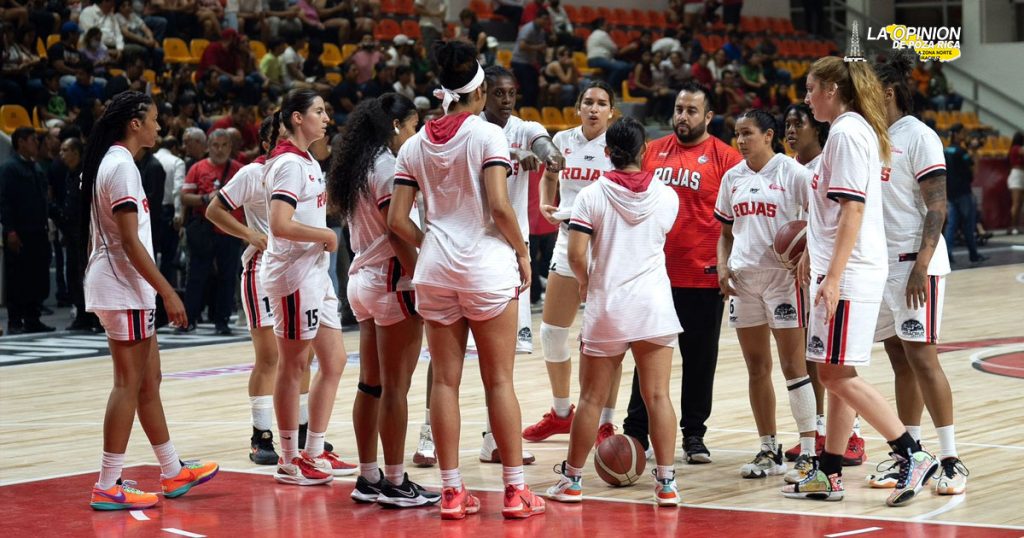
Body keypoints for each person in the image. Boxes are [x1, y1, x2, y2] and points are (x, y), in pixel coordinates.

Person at [387, 40, 544, 520]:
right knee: (499, 381)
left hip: (435, 271)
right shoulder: (486, 135)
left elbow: (396, 220)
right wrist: (523, 252)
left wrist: (433, 242)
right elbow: (499, 205)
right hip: (485, 268)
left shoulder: (414, 144)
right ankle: (515, 491)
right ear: (478, 93)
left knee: (444, 382)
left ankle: (452, 493)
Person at [782, 56, 938, 507]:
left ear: (832, 89)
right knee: (838, 372)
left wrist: (832, 277)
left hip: (848, 274)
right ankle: (830, 472)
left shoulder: (848, 133)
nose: (806, 98)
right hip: (848, 270)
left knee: (832, 374)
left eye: (811, 88)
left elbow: (852, 208)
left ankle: (912, 454)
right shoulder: (851, 131)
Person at [79, 91, 218, 511]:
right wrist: (168, 290)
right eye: (155, 119)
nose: (161, 126)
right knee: (127, 384)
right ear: (135, 123)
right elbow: (128, 241)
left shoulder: (114, 162)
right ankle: (108, 483)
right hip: (124, 286)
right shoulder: (121, 166)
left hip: (122, 284)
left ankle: (173, 470)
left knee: (148, 381)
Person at [545, 116, 682, 507]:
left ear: (607, 152)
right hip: (653, 304)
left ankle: (572, 481)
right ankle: (667, 484)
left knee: (590, 399)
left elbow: (575, 253)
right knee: (658, 396)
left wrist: (585, 283)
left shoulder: (590, 195)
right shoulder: (667, 195)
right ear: (644, 151)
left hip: (609, 305)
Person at [325, 93, 440, 508]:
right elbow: (396, 228)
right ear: (395, 126)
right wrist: (424, 270)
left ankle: (369, 476)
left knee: (370, 385)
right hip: (393, 280)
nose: (416, 133)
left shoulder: (359, 164)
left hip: (362, 280)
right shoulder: (389, 167)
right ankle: (395, 482)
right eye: (413, 126)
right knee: (395, 388)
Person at [863, 52, 968, 495]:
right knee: (899, 361)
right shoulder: (871, 137)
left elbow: (937, 207)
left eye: (867, 89)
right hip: (881, 264)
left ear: (887, 92)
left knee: (923, 359)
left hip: (914, 264)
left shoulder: (919, 136)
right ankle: (911, 454)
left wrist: (921, 267)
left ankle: (952, 459)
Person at [622, 82, 742, 462]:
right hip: (653, 275)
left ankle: (694, 435)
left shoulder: (726, 158)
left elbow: (734, 221)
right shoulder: (651, 152)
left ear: (708, 116)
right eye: (678, 109)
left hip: (702, 275)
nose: (682, 117)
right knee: (647, 358)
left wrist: (728, 264)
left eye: (691, 111)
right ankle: (635, 432)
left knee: (699, 361)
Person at [714, 109, 817, 482]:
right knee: (756, 368)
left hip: (782, 280)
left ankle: (809, 453)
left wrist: (808, 254)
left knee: (793, 367)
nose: (741, 140)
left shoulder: (794, 173)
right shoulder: (732, 178)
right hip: (744, 280)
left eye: (748, 133)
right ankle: (769, 449)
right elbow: (725, 233)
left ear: (769, 135)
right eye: (737, 134)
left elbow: (822, 220)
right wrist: (722, 266)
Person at [259, 89, 354, 485]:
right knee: (294, 365)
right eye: (318, 111)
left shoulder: (308, 159)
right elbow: (280, 224)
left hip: (315, 272)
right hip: (293, 275)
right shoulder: (287, 163)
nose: (326, 117)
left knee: (335, 361)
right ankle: (288, 458)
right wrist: (326, 234)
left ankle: (314, 451)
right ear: (297, 118)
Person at [479, 65, 564, 463]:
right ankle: (428, 434)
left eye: (511, 93)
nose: (507, 100)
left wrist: (551, 157)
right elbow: (484, 156)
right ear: (482, 94)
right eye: (499, 93)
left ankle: (493, 439)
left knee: (503, 357)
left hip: (511, 251)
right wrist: (514, 155)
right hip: (476, 246)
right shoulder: (470, 129)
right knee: (448, 359)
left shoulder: (523, 126)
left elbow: (542, 143)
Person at [527, 81, 619, 446]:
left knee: (607, 340)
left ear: (611, 111)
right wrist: (545, 202)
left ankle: (605, 422)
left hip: (605, 244)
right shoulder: (561, 140)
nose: (594, 108)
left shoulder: (619, 145)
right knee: (551, 333)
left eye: (601, 103)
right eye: (588, 102)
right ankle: (562, 412)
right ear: (578, 108)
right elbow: (549, 177)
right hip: (567, 240)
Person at [782, 102, 870, 467]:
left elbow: (842, 219)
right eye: (787, 124)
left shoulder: (829, 164)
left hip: (833, 272)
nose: (790, 130)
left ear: (816, 129)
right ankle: (822, 430)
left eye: (797, 123)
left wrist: (810, 250)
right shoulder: (791, 168)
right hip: (803, 273)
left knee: (838, 361)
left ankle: (854, 435)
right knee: (814, 355)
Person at [179, 129, 243, 334]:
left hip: (231, 232)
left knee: (228, 278)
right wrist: (206, 198)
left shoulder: (240, 170)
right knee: (196, 276)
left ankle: (222, 322)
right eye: (215, 145)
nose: (220, 150)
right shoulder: (197, 168)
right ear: (208, 147)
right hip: (204, 231)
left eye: (224, 145)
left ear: (230, 147)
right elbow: (184, 197)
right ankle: (189, 319)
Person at [1, 128, 54, 334]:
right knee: (17, 277)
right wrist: (10, 230)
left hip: (37, 230)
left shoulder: (36, 167)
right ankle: (15, 321)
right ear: (21, 142)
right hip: (19, 231)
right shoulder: (9, 168)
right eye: (33, 140)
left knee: (36, 276)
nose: (37, 143)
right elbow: (4, 202)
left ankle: (33, 318)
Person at [942, 124, 985, 265]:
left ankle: (947, 254)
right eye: (963, 133)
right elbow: (972, 172)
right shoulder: (962, 152)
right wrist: (974, 153)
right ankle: (973, 254)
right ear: (957, 134)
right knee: (969, 224)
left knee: (951, 225)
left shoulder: (945, 150)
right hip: (964, 192)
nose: (964, 136)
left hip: (951, 192)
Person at [509, 8, 550, 108]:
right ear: (537, 18)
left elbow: (541, 47)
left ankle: (532, 109)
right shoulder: (528, 28)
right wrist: (538, 47)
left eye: (547, 19)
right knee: (529, 88)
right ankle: (526, 109)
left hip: (530, 63)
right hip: (519, 62)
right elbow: (522, 46)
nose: (546, 21)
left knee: (536, 88)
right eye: (544, 19)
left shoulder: (541, 31)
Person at [1007, 132, 1023, 235]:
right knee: (1016, 203)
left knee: (1020, 204)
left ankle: (1016, 225)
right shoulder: (1016, 148)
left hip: (1021, 175)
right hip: (1016, 175)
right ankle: (1012, 226)